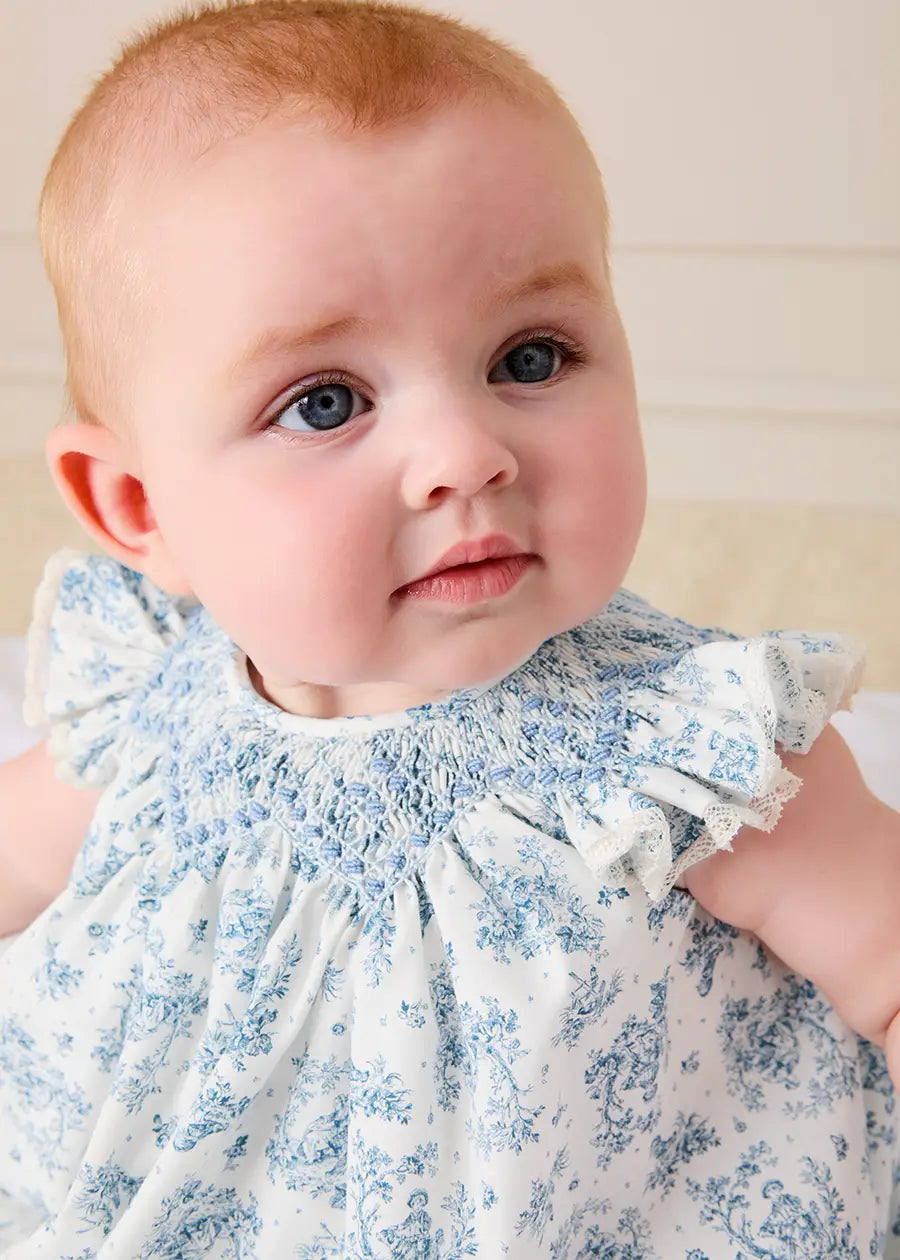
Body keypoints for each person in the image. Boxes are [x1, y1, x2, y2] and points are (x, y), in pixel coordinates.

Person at [0, 1, 898, 1254]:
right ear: (140, 508)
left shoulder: (695, 764)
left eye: (530, 357)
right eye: (325, 402)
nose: (465, 455)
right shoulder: (150, 712)